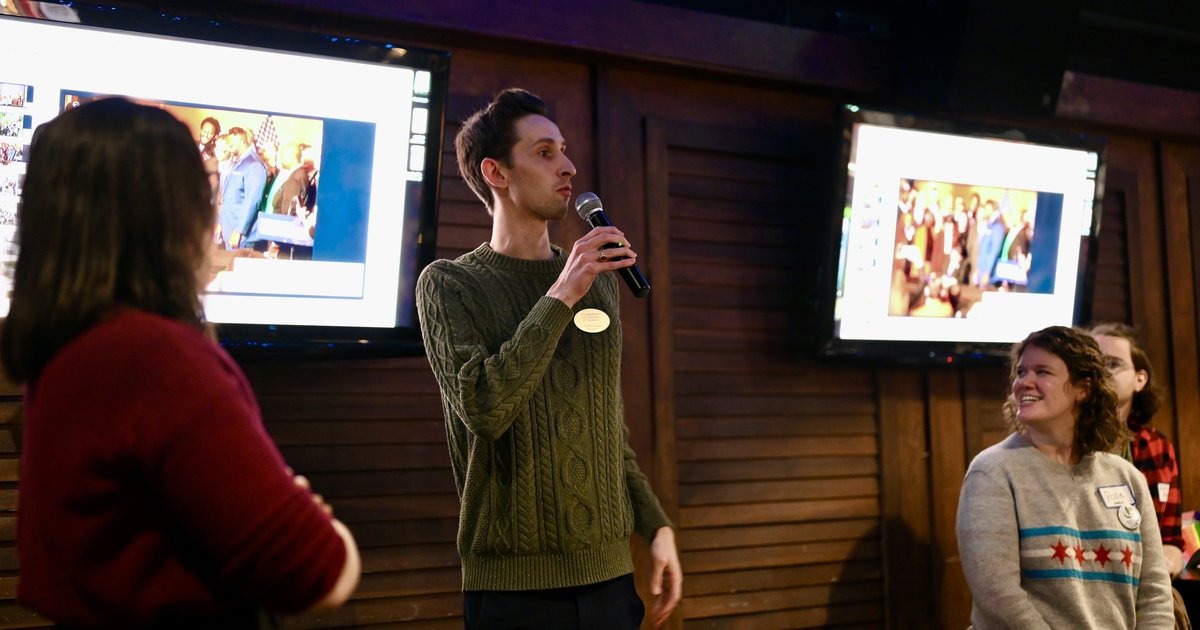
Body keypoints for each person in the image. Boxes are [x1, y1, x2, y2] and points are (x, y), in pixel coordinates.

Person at [0, 97, 360, 627]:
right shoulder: (155, 358)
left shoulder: (68, 348)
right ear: (174, 216)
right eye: (205, 193)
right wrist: (312, 514)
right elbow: (318, 573)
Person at [415, 88, 682, 629]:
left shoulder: (598, 286)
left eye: (563, 150)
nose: (568, 166)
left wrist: (656, 526)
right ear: (496, 172)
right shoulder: (448, 284)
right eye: (544, 153)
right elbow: (486, 408)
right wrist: (559, 297)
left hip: (610, 580)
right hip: (514, 591)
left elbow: (604, 426)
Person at [956, 325, 1173, 628]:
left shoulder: (1127, 477)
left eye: (1042, 372)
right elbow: (999, 597)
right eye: (1021, 372)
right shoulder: (992, 472)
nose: (1024, 383)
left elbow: (1154, 593)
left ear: (1083, 389)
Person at [1090, 323, 1185, 578]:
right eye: (1092, 363)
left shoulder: (1157, 447)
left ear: (1140, 379)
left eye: (1112, 363)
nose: (1100, 372)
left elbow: (1171, 541)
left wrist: (1165, 566)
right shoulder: (1066, 442)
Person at [217, 126, 268, 250]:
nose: (228, 148)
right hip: (229, 228)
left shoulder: (254, 164)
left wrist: (239, 230)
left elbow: (252, 200)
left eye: (231, 144)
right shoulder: (239, 162)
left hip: (241, 235)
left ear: (241, 141)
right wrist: (221, 223)